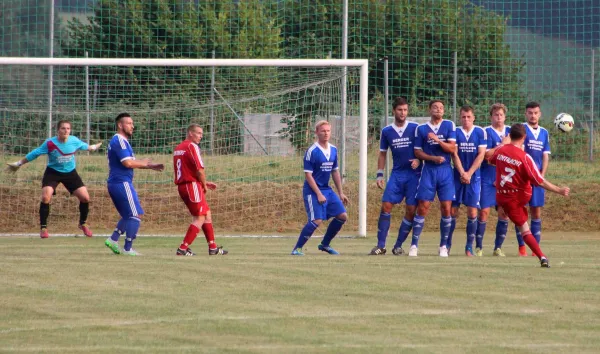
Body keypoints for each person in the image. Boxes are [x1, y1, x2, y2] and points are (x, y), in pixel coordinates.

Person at [486, 123, 569, 268]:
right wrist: (559, 190)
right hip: (516, 198)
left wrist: (503, 147)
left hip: (502, 196)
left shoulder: (501, 150)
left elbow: (490, 159)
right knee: (524, 229)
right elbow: (539, 181)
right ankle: (542, 256)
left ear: (509, 135)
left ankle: (502, 247)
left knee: (513, 219)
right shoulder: (525, 158)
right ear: (524, 137)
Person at [6, 120, 102, 238]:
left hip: (70, 173)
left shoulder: (74, 141)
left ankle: (83, 224)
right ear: (58, 130)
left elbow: (87, 147)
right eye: (63, 128)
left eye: (68, 128)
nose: (66, 131)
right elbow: (35, 153)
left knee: (85, 198)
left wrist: (93, 147)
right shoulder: (50, 143)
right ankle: (43, 228)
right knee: (46, 197)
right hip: (53, 173)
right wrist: (19, 163)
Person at [104, 113, 164, 256]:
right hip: (121, 183)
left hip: (117, 183)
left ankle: (113, 240)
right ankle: (128, 248)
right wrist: (143, 162)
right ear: (120, 125)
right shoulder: (119, 140)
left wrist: (150, 166)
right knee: (135, 214)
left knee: (127, 215)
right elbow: (128, 163)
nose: (133, 126)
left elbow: (131, 163)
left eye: (132, 123)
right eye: (129, 123)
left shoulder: (121, 141)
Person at [370, 97, 420, 255]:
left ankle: (398, 245)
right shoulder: (386, 131)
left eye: (405, 110)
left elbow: (423, 149)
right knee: (386, 205)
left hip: (414, 175)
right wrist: (379, 174)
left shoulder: (415, 128)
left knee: (411, 209)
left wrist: (419, 159)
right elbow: (382, 154)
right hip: (397, 174)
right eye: (400, 110)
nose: (403, 113)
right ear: (394, 111)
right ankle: (380, 246)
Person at [291, 120, 349, 256]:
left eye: (328, 131)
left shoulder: (333, 150)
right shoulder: (312, 151)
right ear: (317, 132)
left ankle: (325, 244)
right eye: (323, 131)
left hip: (327, 190)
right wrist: (318, 194)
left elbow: (334, 171)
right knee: (316, 220)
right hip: (312, 190)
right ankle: (297, 248)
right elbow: (308, 175)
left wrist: (340, 192)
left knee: (342, 215)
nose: (326, 133)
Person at [410, 100, 457, 257]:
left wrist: (437, 140)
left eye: (442, 108)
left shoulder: (450, 125)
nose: (439, 110)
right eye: (435, 107)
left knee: (446, 207)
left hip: (445, 171)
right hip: (429, 170)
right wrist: (432, 158)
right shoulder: (421, 129)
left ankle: (443, 246)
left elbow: (452, 148)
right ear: (429, 110)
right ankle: (414, 245)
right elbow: (417, 152)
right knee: (423, 206)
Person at [173, 124, 227, 256]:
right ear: (190, 133)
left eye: (202, 134)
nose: (201, 136)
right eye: (198, 133)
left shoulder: (179, 147)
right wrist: (202, 184)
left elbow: (187, 170)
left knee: (206, 214)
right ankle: (183, 248)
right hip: (191, 186)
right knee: (200, 217)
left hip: (185, 185)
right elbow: (199, 169)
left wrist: (203, 183)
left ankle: (213, 247)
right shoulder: (192, 146)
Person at [447, 106, 487, 256]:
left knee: (472, 211)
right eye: (463, 117)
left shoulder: (480, 132)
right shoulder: (455, 131)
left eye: (469, 117)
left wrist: (469, 173)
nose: (466, 120)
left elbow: (481, 155)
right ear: (460, 118)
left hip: (474, 177)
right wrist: (462, 173)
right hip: (457, 176)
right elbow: (453, 154)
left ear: (473, 118)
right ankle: (447, 244)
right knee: (452, 211)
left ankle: (469, 247)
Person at [515, 101, 551, 257]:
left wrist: (541, 176)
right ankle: (522, 247)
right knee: (520, 214)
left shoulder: (544, 132)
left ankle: (535, 249)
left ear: (540, 114)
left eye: (536, 112)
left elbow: (545, 155)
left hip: (537, 179)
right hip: (522, 179)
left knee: (536, 212)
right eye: (530, 112)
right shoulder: (520, 129)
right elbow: (517, 152)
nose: (533, 115)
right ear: (526, 114)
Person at [477, 103, 512, 257]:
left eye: (501, 115)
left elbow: (517, 151)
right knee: (484, 212)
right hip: (488, 175)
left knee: (504, 213)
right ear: (491, 116)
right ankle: (478, 247)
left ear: (505, 117)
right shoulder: (485, 132)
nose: (499, 118)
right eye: (496, 115)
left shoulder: (511, 131)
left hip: (505, 177)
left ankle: (498, 248)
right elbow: (487, 155)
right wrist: (502, 145)